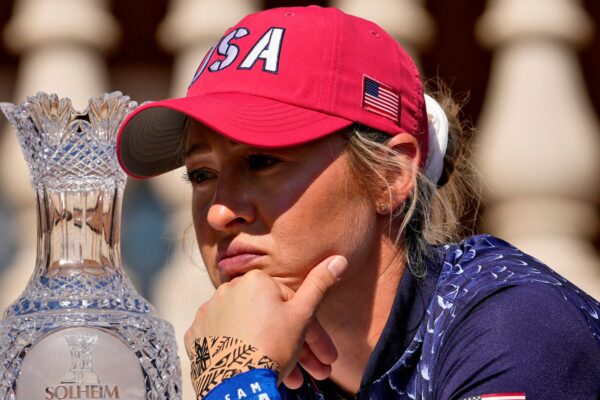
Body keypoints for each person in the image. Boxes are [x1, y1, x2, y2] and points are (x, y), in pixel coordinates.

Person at [117, 6, 600, 400]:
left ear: (391, 176)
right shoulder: (280, 365)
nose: (220, 212)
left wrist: (233, 380)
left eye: (262, 162)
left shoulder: (516, 329)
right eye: (202, 175)